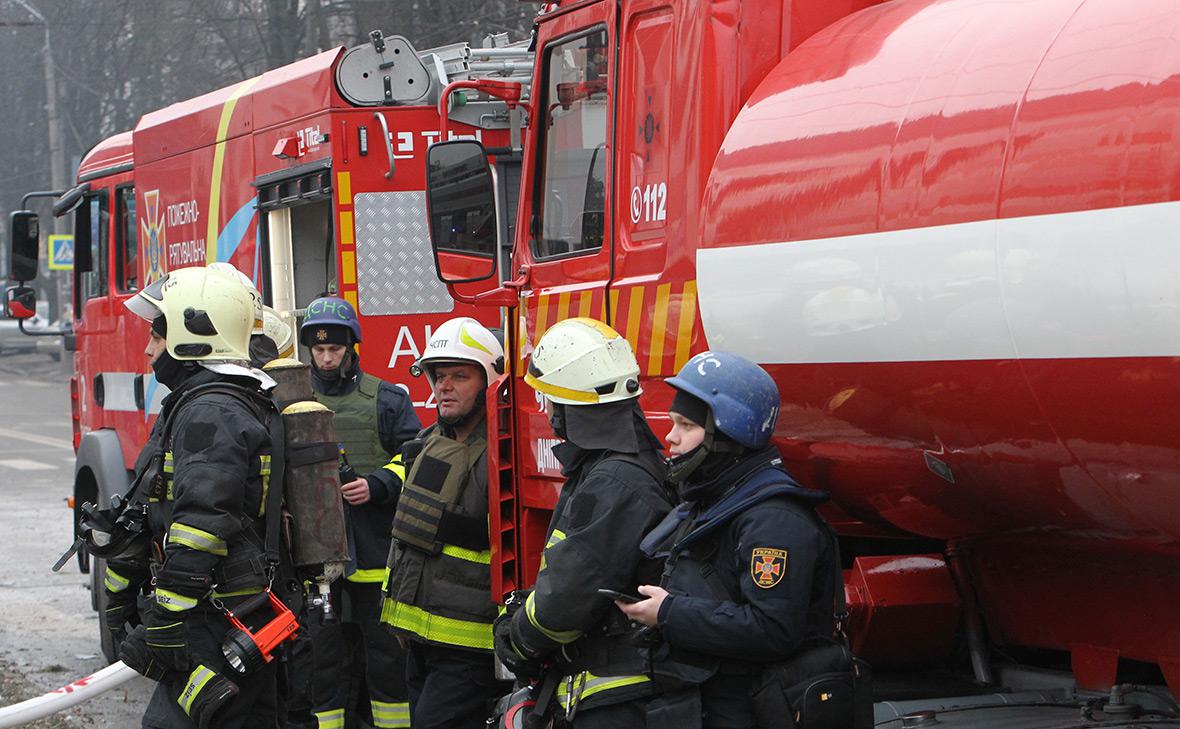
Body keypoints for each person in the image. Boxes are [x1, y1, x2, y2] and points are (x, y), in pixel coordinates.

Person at [615, 351, 840, 729]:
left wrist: (670, 613)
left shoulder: (774, 520)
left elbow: (773, 630)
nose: (670, 437)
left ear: (728, 433)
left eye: (685, 425)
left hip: (755, 710)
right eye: (673, 423)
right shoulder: (714, 499)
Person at [107, 264, 286, 728]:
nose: (148, 350)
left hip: (219, 614)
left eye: (157, 336)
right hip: (232, 609)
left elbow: (202, 523)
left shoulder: (212, 411)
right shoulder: (212, 401)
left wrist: (166, 616)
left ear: (194, 335)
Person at [494, 318, 672, 727]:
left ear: (568, 408)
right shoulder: (618, 468)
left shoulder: (614, 481)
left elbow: (569, 593)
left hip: (618, 696)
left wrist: (518, 638)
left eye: (550, 400)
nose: (547, 410)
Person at [289, 295, 421, 729]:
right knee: (323, 658)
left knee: (385, 656)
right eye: (319, 350)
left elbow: (416, 459)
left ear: (352, 349)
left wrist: (378, 484)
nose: (326, 358)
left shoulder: (385, 399)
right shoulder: (292, 401)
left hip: (373, 552)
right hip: (314, 556)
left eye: (335, 349)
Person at [379, 316, 508, 729]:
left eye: (459, 376)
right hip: (419, 637)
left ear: (488, 382)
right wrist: (398, 614)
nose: (444, 386)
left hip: (470, 644)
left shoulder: (504, 454)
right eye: (439, 375)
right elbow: (407, 537)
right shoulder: (427, 443)